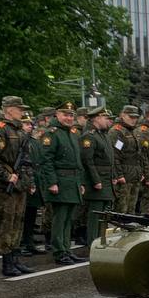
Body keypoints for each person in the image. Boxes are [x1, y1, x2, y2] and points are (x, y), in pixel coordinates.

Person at [0, 96, 35, 276]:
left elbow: (26, 161)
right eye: (18, 108)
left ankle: (15, 258)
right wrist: (7, 176)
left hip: (19, 185)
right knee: (7, 224)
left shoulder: (19, 131)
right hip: (5, 186)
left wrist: (27, 181)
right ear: (8, 110)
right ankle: (7, 262)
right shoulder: (0, 130)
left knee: (17, 222)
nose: (21, 111)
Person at [36, 101, 85, 264]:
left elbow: (78, 162)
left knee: (69, 218)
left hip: (72, 181)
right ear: (57, 115)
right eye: (65, 114)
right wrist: (52, 182)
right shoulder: (52, 133)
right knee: (60, 218)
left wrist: (80, 183)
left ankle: (66, 249)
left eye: (71, 115)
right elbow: (46, 160)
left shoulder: (71, 133)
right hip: (60, 181)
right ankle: (59, 251)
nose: (69, 118)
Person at [80, 107, 115, 248]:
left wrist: (114, 176)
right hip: (98, 181)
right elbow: (87, 161)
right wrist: (96, 180)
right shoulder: (89, 136)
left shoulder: (103, 135)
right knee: (95, 215)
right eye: (106, 118)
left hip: (106, 179)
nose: (109, 121)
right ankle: (92, 243)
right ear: (97, 118)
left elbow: (110, 159)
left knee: (105, 213)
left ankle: (101, 240)